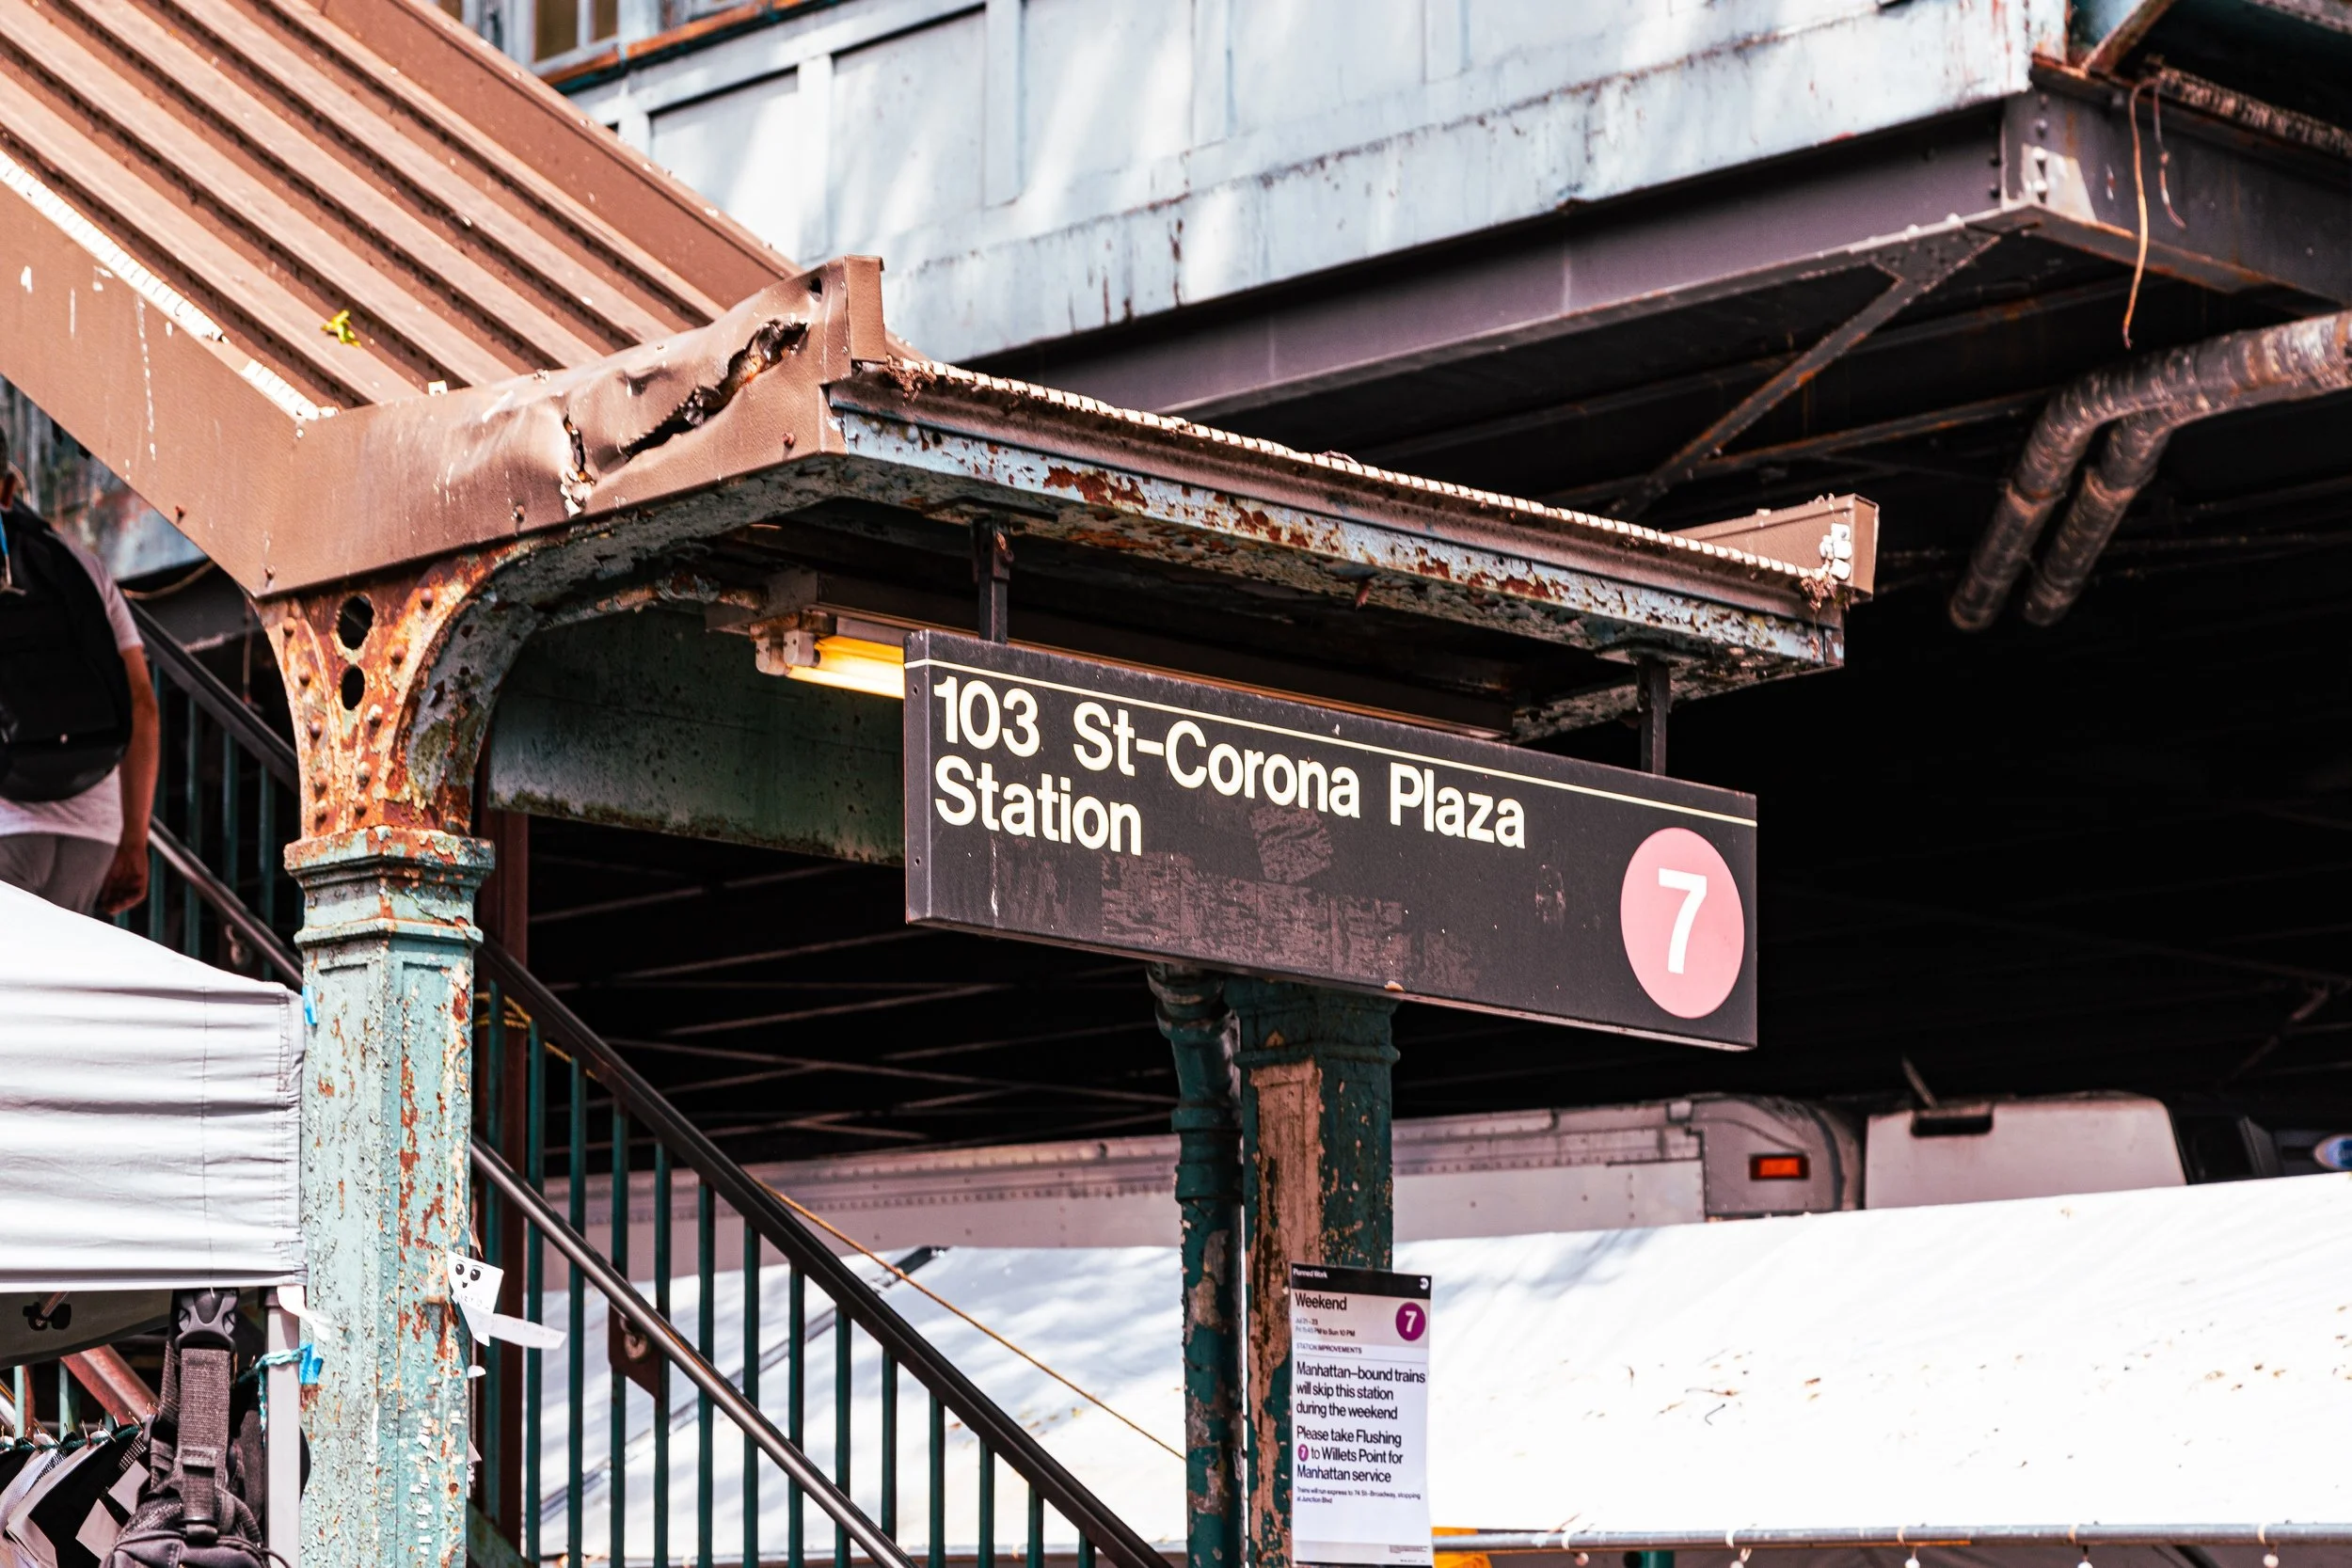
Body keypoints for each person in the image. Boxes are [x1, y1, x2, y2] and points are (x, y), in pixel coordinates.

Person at [0, 427, 159, 917]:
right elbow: (143, 708)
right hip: (92, 835)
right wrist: (134, 840)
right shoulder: (82, 567)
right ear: (8, 487)